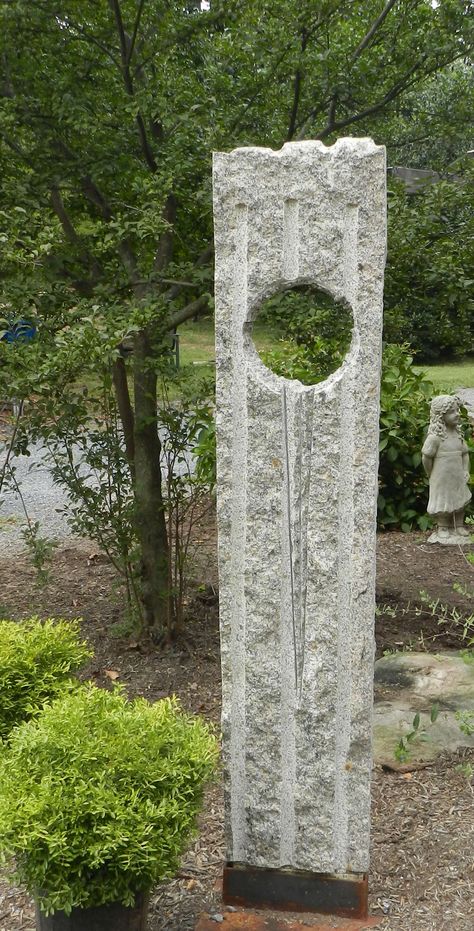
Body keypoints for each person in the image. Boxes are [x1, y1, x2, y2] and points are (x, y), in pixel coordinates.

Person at [422, 395, 471, 544]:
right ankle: (443, 527)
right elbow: (426, 458)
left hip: (457, 476)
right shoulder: (435, 438)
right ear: (440, 416)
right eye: (451, 412)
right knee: (442, 502)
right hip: (441, 477)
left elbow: (465, 454)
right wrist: (430, 474)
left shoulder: (458, 435)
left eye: (457, 410)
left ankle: (458, 525)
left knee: (460, 499)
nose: (457, 414)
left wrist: (465, 470)